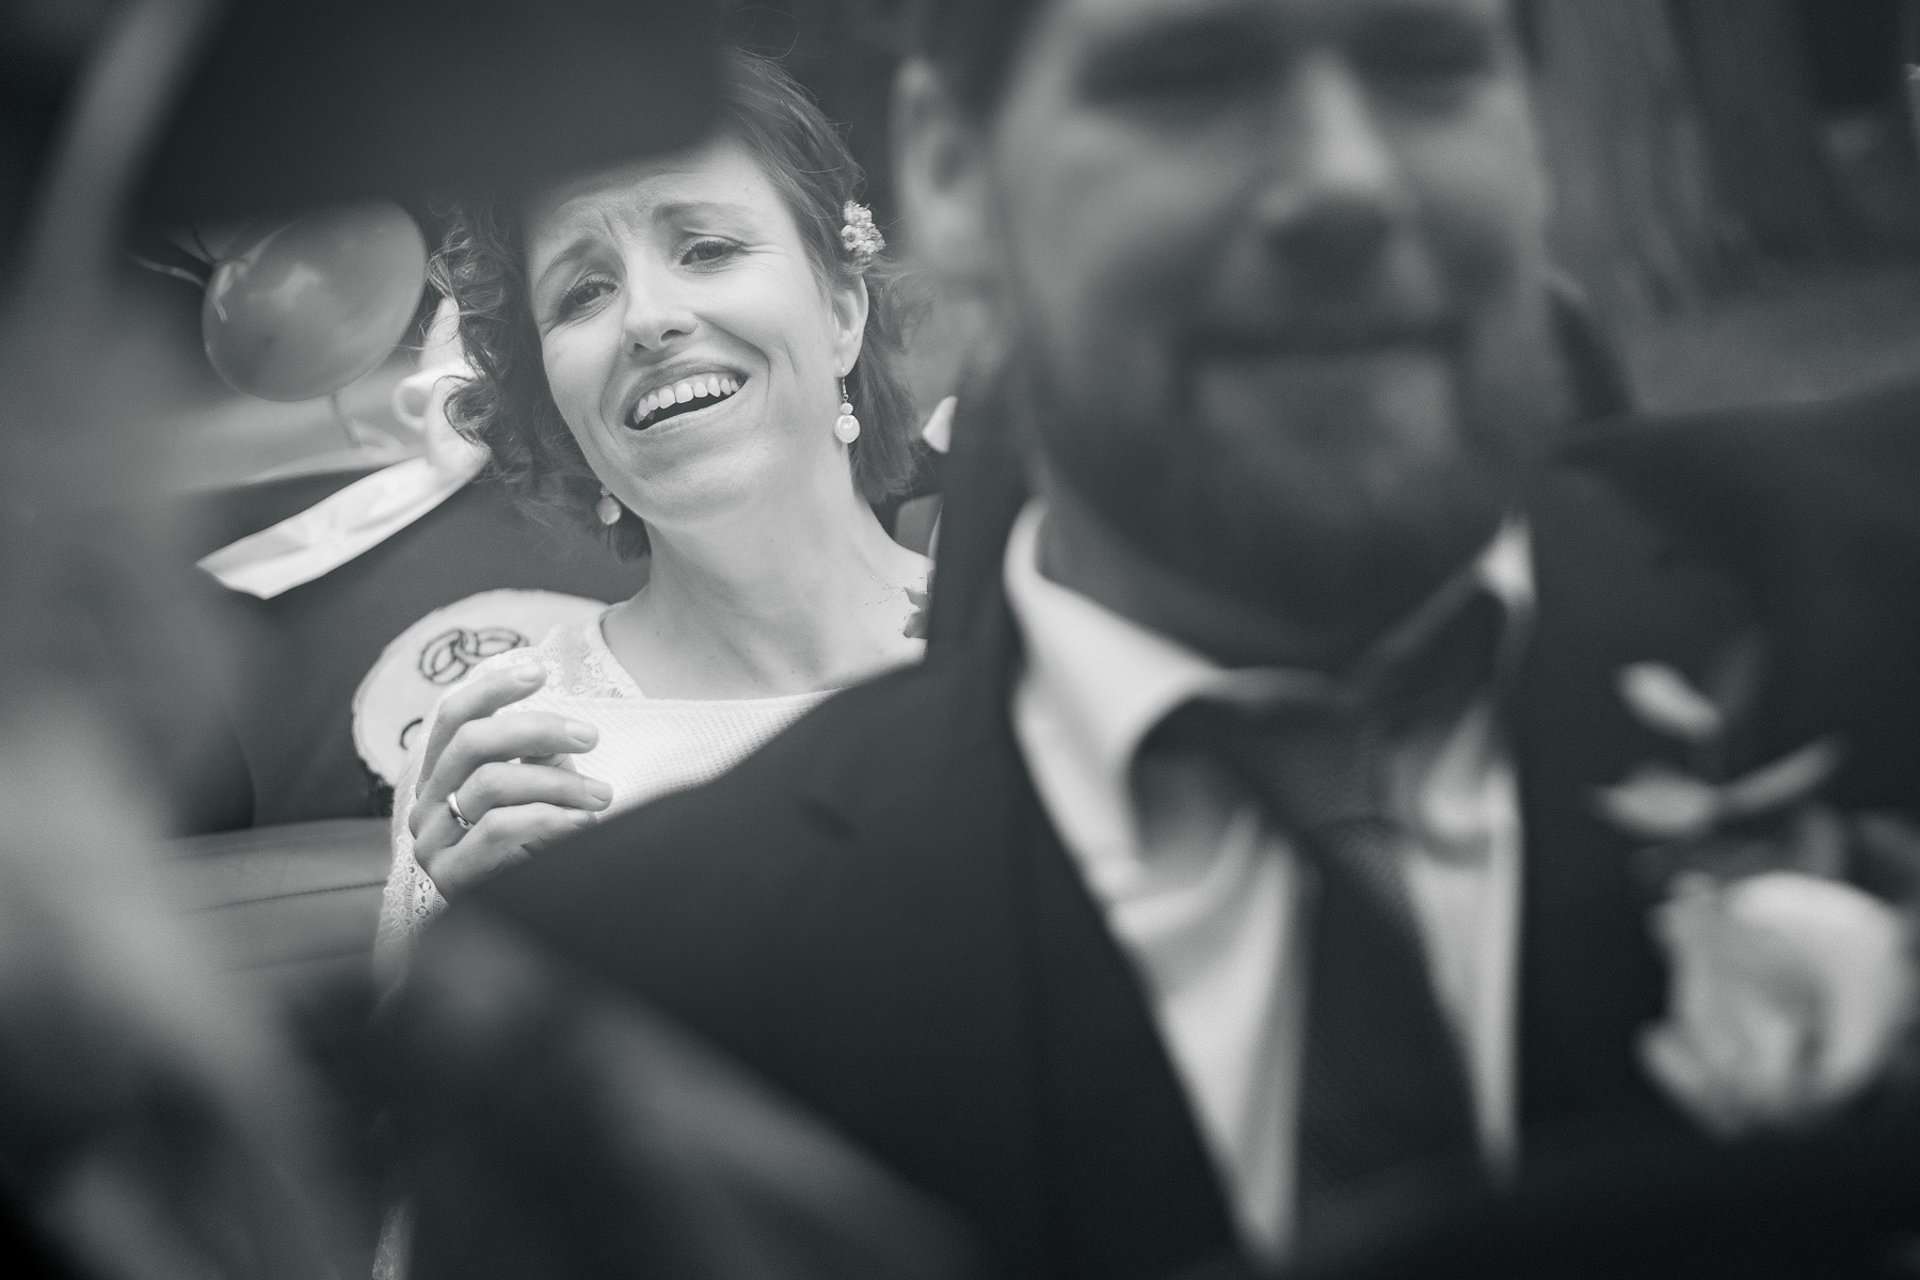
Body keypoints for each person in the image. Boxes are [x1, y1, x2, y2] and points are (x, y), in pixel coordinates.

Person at [397, 1, 1920, 1276]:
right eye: (1184, 87)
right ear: (956, 174)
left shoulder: (1872, 595)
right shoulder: (630, 982)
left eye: (1425, 63)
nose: (1339, 179)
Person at [376, 49, 930, 964]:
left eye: (706, 249)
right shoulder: (503, 754)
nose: (646, 318)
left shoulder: (1035, 633)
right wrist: (467, 952)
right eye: (584, 292)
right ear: (555, 404)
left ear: (841, 312)